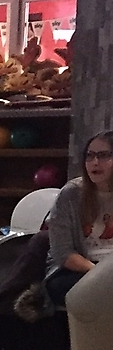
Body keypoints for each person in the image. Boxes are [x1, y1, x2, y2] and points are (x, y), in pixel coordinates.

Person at [44, 130, 113, 305]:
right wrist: (100, 274)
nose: (95, 162)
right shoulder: (71, 194)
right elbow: (62, 253)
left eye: (103, 155)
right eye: (89, 156)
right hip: (78, 268)